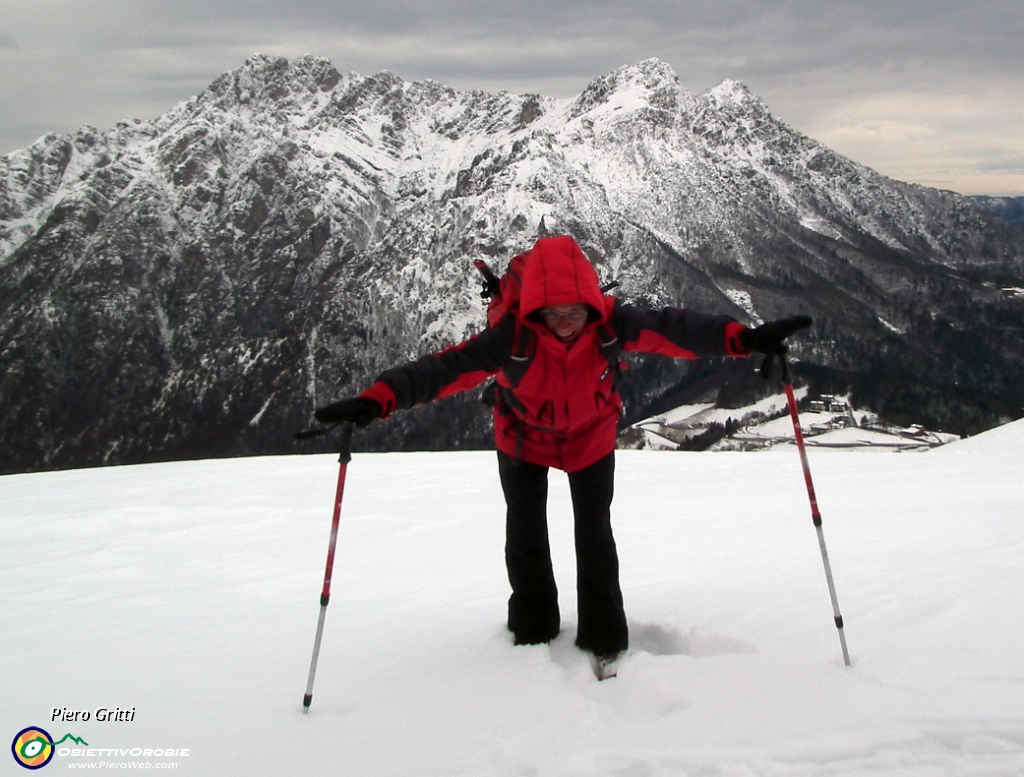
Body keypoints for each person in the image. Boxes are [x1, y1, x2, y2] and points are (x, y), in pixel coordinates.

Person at [314, 235, 810, 666]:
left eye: (575, 311)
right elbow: (444, 370)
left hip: (590, 437)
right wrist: (377, 400)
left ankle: (604, 636)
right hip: (522, 438)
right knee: (526, 533)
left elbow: (677, 329)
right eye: (553, 313)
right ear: (534, 310)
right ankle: (532, 630)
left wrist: (743, 339)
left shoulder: (612, 323)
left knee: (594, 535)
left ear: (593, 305)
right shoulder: (513, 335)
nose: (566, 322)